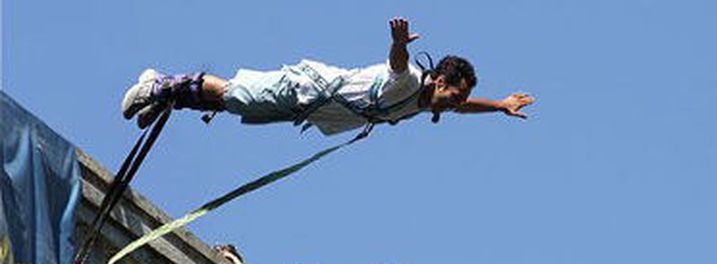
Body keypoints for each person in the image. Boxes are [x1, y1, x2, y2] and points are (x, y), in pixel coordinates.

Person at [121, 18, 534, 137]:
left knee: (229, 106)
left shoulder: (424, 103)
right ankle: (160, 83)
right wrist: (398, 43)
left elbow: (465, 109)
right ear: (440, 81)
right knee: (236, 93)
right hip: (307, 88)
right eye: (455, 96)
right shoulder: (409, 81)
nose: (456, 105)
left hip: (310, 109)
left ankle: (171, 99)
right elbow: (397, 62)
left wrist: (499, 106)